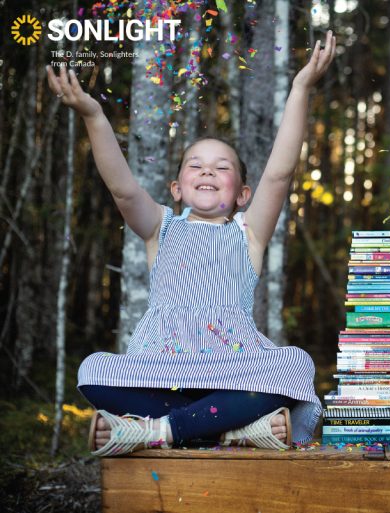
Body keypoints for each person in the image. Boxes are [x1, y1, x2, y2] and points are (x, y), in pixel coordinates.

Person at [47, 31, 336, 455]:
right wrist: (93, 115)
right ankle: (229, 429)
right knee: (93, 370)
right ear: (176, 187)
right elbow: (124, 190)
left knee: (294, 364)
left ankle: (159, 431)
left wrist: (300, 87)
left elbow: (279, 173)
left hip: (233, 366)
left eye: (222, 168)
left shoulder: (247, 233)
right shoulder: (159, 228)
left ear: (241, 194)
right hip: (164, 364)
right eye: (195, 165)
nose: (207, 171)